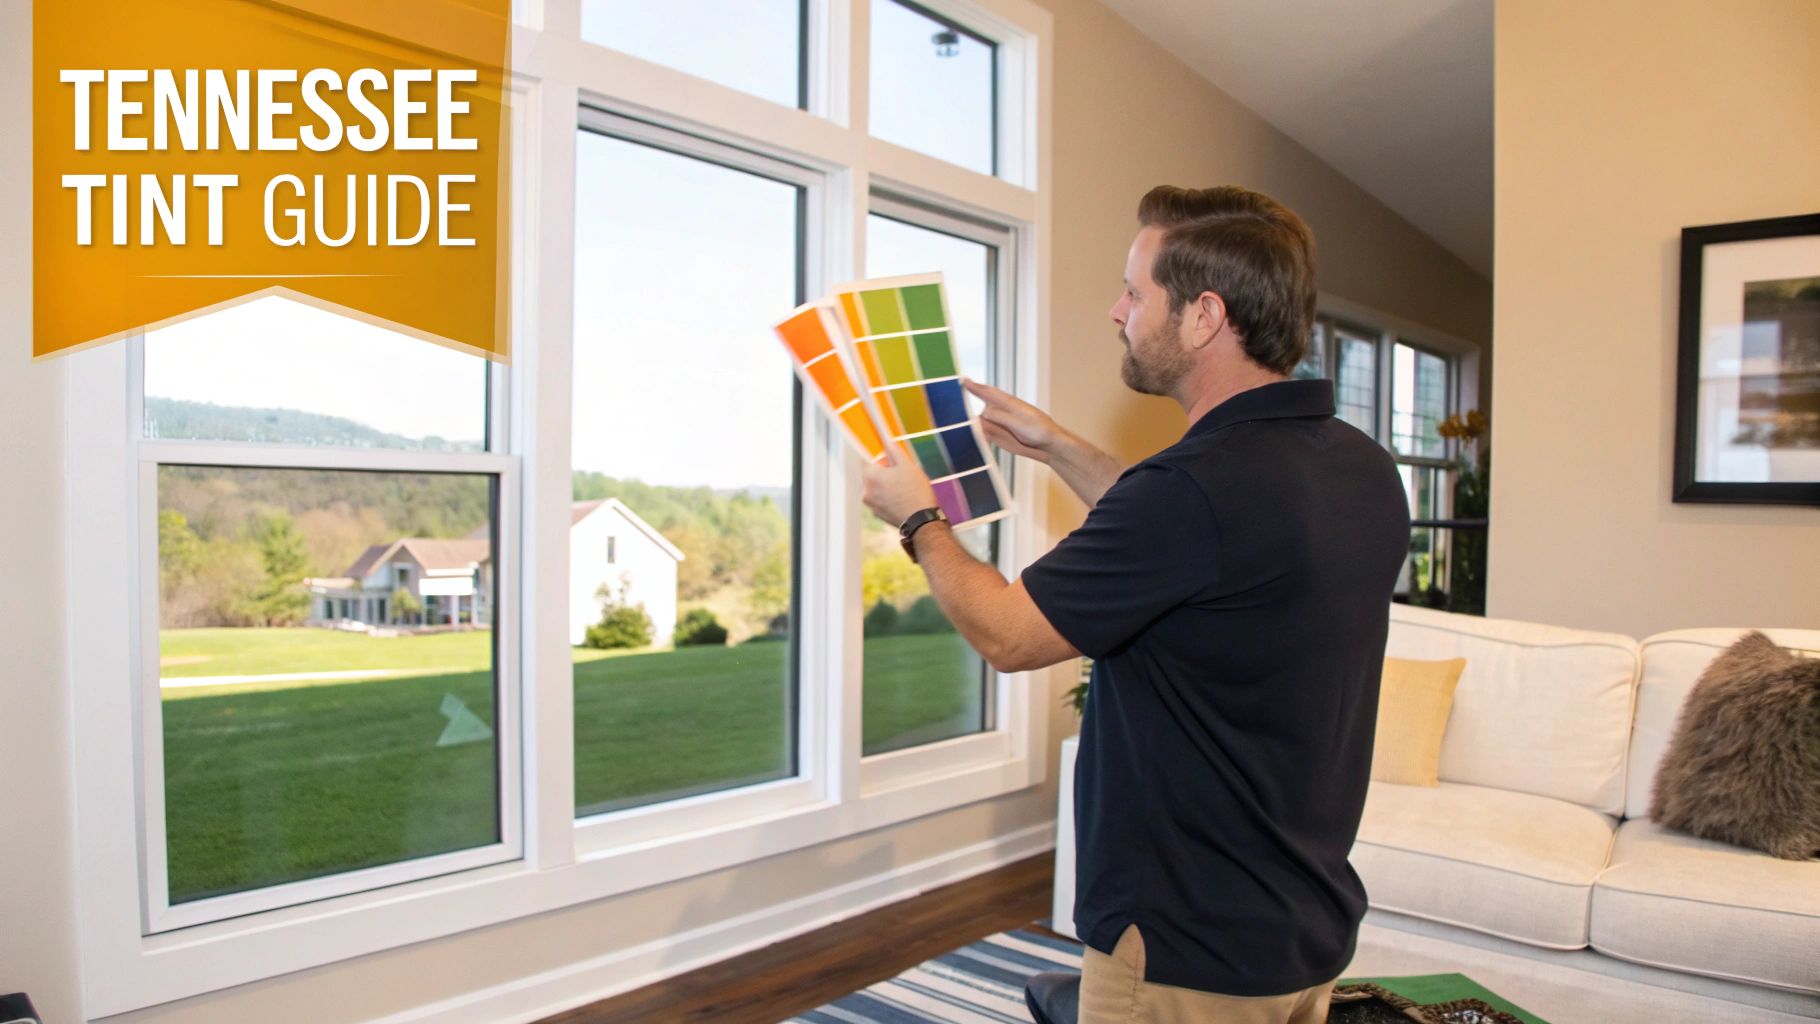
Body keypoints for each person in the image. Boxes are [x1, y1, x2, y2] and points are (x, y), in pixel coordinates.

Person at [859, 184, 1411, 1023]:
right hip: (1300, 927)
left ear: (1203, 317)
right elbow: (1203, 544)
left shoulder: (1190, 490)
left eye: (1135, 292)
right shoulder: (1358, 465)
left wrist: (920, 520)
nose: (1118, 312)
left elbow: (1008, 636)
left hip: (1184, 946)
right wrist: (1057, 447)